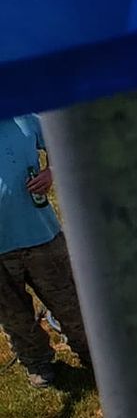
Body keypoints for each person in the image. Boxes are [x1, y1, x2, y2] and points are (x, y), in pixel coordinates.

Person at [1, 115, 90, 388]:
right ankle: (37, 362)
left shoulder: (24, 115)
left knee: (70, 301)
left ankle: (92, 350)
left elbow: (61, 141)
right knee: (14, 316)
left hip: (41, 236)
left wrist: (51, 171)